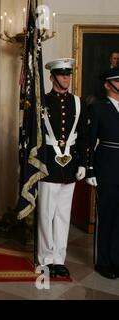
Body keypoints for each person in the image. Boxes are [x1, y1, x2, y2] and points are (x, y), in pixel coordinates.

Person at [38, 58, 88, 278]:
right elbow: (34, 137)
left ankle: (59, 259)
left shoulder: (78, 102)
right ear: (52, 77)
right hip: (48, 165)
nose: (66, 78)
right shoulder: (42, 102)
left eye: (68, 74)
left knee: (63, 216)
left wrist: (85, 163)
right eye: (61, 74)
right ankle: (45, 259)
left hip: (70, 166)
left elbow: (84, 137)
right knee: (46, 215)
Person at [86, 67, 119, 279]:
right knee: (106, 215)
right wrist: (89, 168)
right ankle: (103, 261)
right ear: (108, 84)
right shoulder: (98, 108)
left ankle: (117, 259)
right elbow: (89, 141)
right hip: (106, 167)